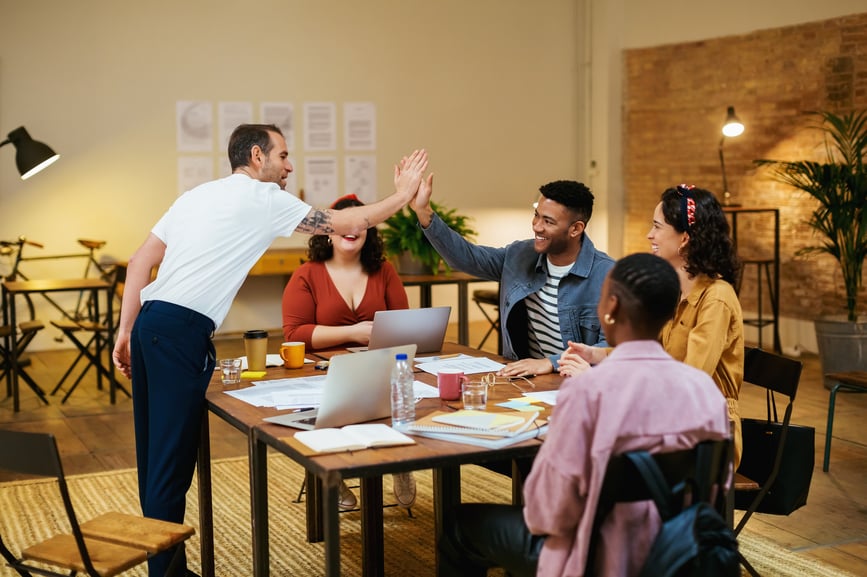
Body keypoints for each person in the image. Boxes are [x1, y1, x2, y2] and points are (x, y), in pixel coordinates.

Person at [112, 123, 428, 577]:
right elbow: (350, 221)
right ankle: (166, 575)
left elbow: (140, 261)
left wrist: (125, 332)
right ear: (258, 157)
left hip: (150, 324)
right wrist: (402, 195)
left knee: (154, 458)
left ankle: (168, 569)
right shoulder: (263, 198)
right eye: (283, 156)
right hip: (179, 331)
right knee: (170, 466)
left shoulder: (196, 196)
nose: (289, 166)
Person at [437, 253, 731, 577]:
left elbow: (547, 515)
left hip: (595, 557)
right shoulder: (706, 392)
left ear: (612, 307)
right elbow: (714, 491)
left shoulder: (587, 391)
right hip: (680, 551)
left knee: (457, 526)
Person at [561, 185, 744, 466]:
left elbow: (688, 386)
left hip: (704, 435)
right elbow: (650, 356)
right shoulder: (672, 291)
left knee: (592, 451)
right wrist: (596, 355)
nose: (650, 235)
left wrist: (598, 381)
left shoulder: (716, 297)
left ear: (685, 238)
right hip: (665, 420)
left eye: (657, 227)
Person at [281, 193, 416, 510]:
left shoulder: (384, 271)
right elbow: (294, 334)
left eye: (362, 224)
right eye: (345, 224)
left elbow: (403, 325)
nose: (352, 230)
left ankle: (401, 463)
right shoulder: (307, 275)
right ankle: (336, 473)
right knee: (334, 403)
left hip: (378, 367)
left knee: (410, 394)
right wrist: (353, 332)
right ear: (327, 231)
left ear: (369, 231)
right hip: (325, 373)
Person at [410, 178, 614, 377]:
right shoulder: (520, 254)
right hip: (524, 378)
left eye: (548, 221)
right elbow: (467, 258)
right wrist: (424, 212)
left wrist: (550, 363)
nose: (536, 226)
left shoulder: (608, 275)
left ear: (576, 229)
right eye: (536, 215)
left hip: (575, 381)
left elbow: (613, 347)